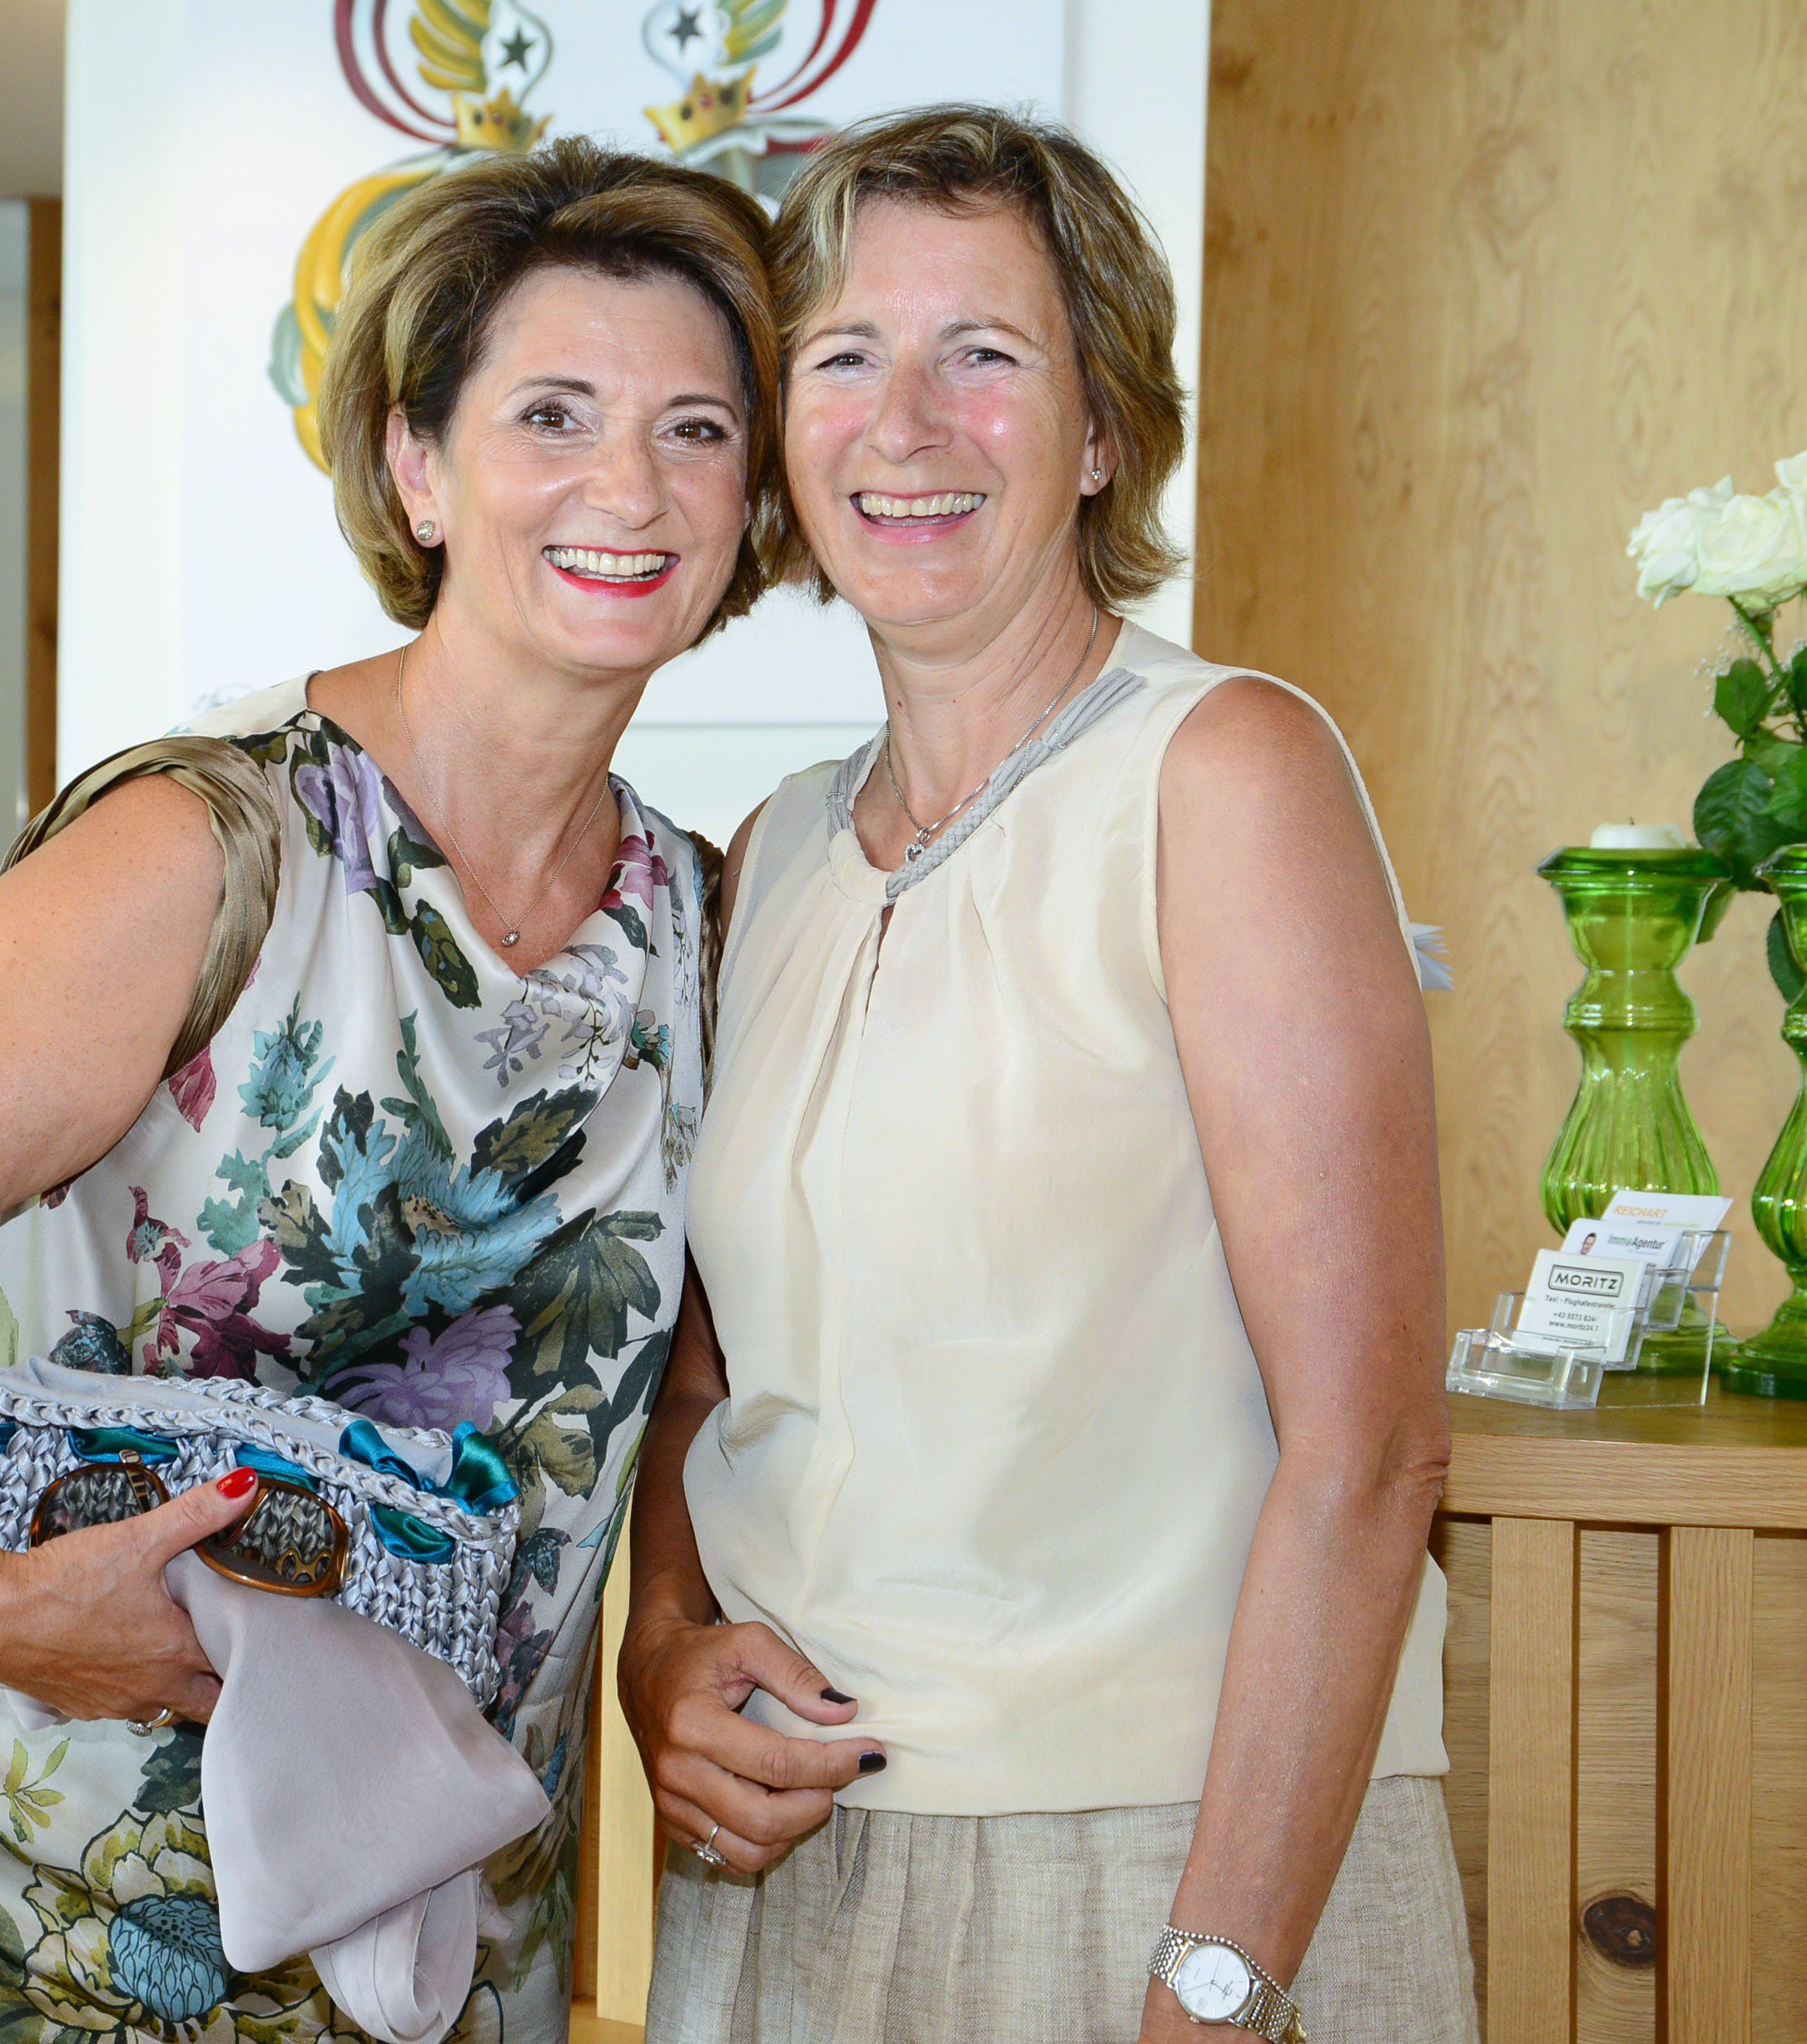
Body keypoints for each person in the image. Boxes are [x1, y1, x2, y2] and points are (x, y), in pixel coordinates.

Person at [0, 136, 777, 2044]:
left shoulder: (694, 914)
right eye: (552, 414)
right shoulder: (216, 843)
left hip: (420, 1917)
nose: (629, 484)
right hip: (24, 1882)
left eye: (694, 430)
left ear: (750, 500)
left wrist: (666, 1637)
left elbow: (684, 1387)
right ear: (417, 466)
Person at [620, 106, 1473, 2042]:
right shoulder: (769, 852)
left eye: (983, 353)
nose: (905, 423)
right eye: (845, 357)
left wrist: (1214, 1980)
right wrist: (660, 1652)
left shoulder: (1224, 773)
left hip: (1164, 1864)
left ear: (1099, 432)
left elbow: (1369, 1453)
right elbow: (705, 1388)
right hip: (786, 1875)